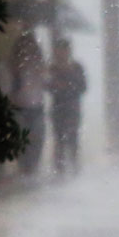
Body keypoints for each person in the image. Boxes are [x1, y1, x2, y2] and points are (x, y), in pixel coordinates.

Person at [48, 38, 87, 175]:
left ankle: (74, 167)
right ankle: (60, 169)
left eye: (65, 50)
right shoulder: (52, 68)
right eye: (60, 50)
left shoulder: (76, 67)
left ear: (69, 51)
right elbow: (48, 86)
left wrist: (69, 86)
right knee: (59, 139)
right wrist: (57, 86)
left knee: (73, 138)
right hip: (58, 109)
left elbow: (83, 87)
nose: (62, 53)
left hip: (72, 108)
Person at [11, 32, 46, 175]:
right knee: (21, 140)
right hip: (20, 107)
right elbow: (9, 87)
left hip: (36, 107)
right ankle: (24, 167)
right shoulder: (13, 68)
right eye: (24, 48)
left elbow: (46, 81)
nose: (27, 52)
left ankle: (33, 167)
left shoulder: (39, 65)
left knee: (37, 138)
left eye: (30, 48)